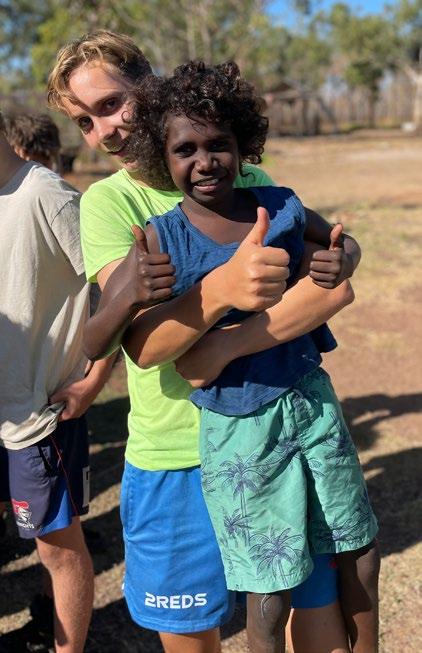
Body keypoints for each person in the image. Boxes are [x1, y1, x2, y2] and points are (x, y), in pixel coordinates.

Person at [47, 30, 364, 653]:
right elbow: (145, 344)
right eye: (84, 121)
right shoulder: (110, 204)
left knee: (304, 604)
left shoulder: (248, 178)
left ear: (150, 87)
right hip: (175, 453)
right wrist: (221, 289)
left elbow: (326, 293)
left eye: (111, 104)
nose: (104, 130)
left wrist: (221, 346)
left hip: (277, 429)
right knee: (193, 632)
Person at [0, 109, 122, 653]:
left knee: (57, 548)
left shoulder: (46, 194)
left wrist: (93, 380)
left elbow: (118, 291)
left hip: (38, 414)